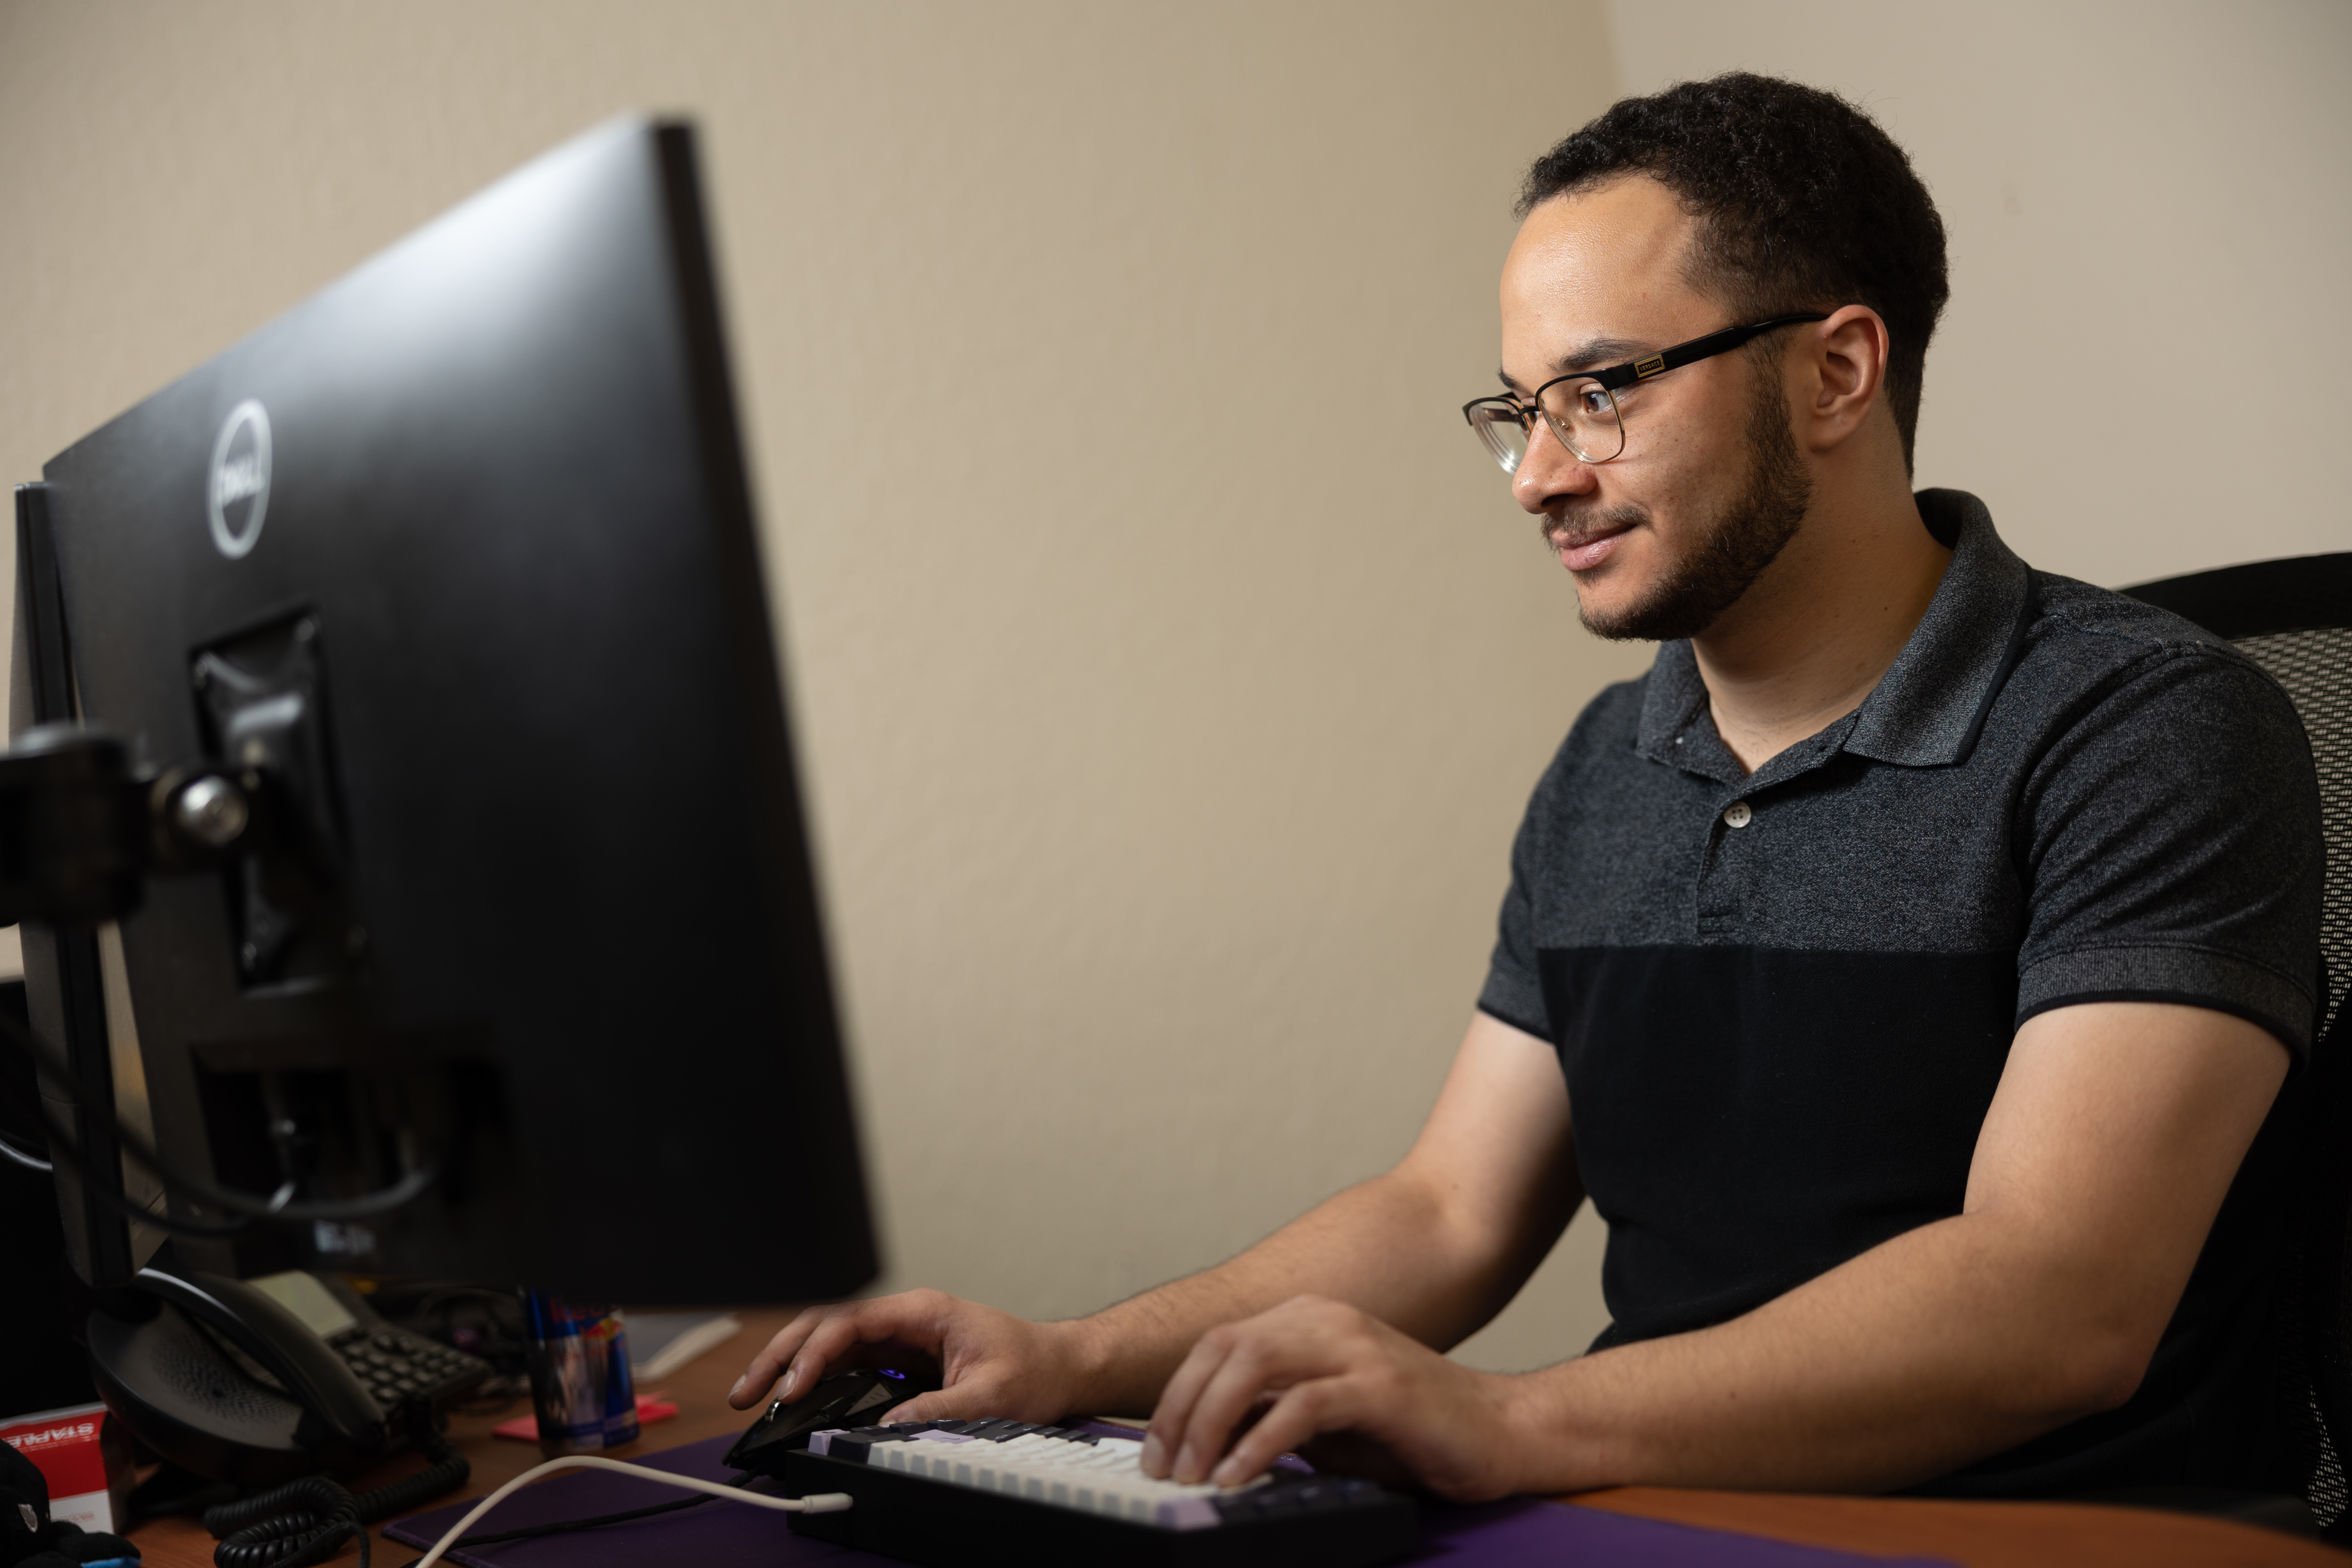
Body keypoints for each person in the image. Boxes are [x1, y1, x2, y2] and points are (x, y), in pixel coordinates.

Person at [730, 73, 2325, 1502]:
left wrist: (1512, 1425)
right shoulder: (1606, 769)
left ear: (1838, 374)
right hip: (1675, 1522)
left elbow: (2056, 1308)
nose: (1545, 473)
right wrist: (1066, 1360)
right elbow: (1446, 1217)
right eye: (1522, 409)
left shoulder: (2147, 728)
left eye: (1604, 388)